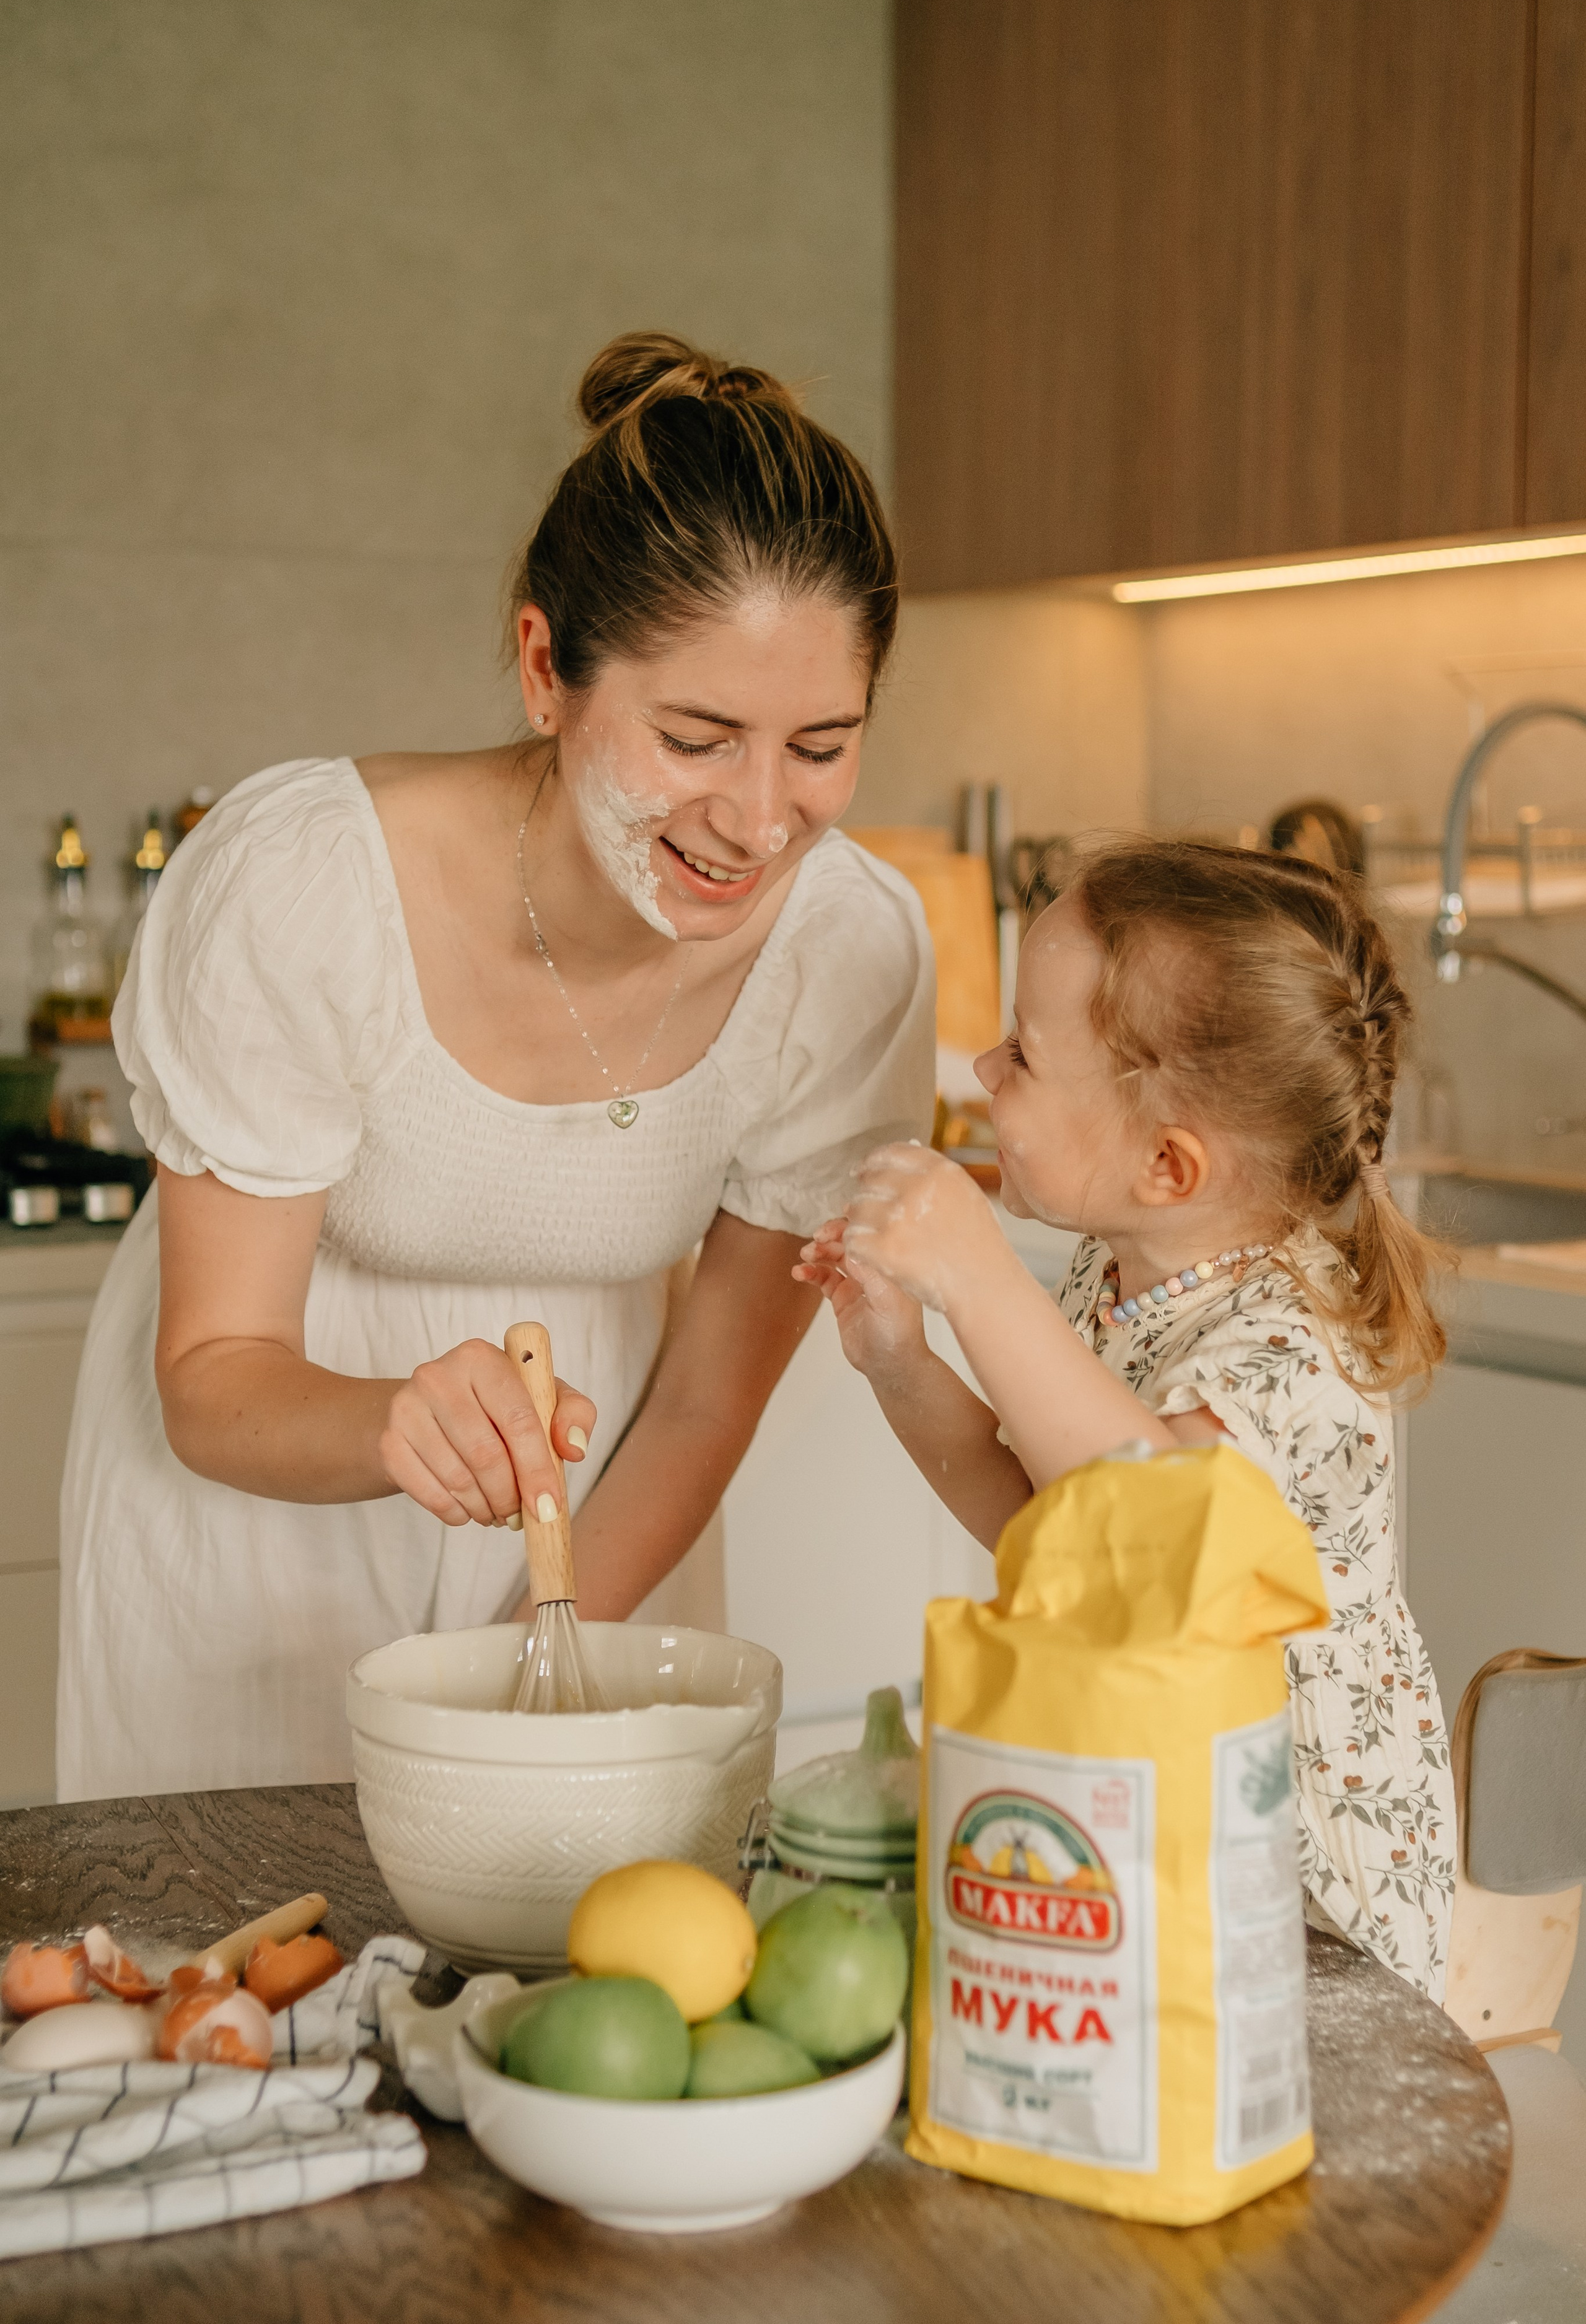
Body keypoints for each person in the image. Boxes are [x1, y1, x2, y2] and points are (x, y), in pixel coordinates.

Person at [58, 333, 934, 1802]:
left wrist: (539, 1653)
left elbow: (708, 1400)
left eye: (820, 746)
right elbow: (212, 1374)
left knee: (573, 1927)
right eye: (696, 738)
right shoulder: (304, 888)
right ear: (544, 669)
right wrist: (387, 1418)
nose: (757, 819)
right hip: (261, 1517)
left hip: (606, 1525)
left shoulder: (849, 954)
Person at [795, 839, 1456, 1998]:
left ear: (1168, 1165)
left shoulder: (1288, 1344)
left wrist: (980, 1275)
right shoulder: (1117, 1279)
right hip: (1167, 1826)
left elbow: (1157, 1532)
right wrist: (900, 1360)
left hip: (1308, 1911)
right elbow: (1054, 1527)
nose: (986, 1067)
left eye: (1024, 1055)